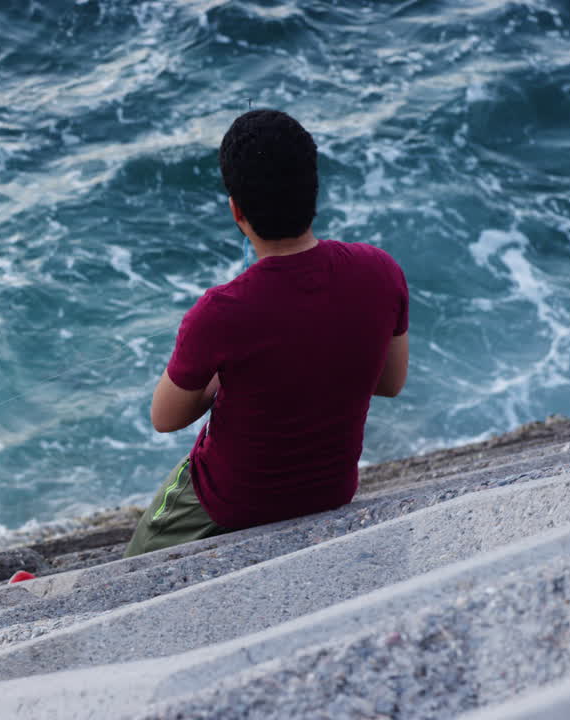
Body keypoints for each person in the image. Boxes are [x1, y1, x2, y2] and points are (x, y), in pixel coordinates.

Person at [124, 109, 410, 557]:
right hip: (329, 490)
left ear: (236, 210)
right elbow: (390, 383)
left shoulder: (218, 313)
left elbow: (165, 417)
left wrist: (227, 373)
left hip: (232, 502)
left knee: (140, 559)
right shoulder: (381, 271)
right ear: (314, 192)